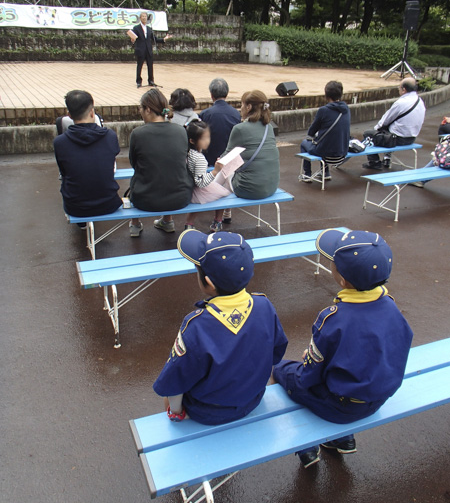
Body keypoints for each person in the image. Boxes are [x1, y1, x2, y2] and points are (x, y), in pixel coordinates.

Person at [273, 229, 413, 469]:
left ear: (343, 280)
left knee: (282, 372)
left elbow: (308, 377)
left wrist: (308, 362)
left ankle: (306, 444)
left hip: (340, 406)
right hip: (377, 399)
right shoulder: (392, 308)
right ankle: (342, 439)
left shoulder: (333, 318)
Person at [153, 229, 288, 425]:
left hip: (207, 412)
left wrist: (176, 410)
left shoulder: (196, 325)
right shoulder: (264, 305)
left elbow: (174, 384)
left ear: (208, 283)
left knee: (168, 399)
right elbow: (276, 352)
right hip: (252, 400)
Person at [128, 89, 193, 237]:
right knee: (170, 170)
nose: (140, 111)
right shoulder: (181, 131)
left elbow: (134, 163)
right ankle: (167, 221)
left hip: (146, 199)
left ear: (148, 109)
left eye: (141, 108)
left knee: (138, 176)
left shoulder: (138, 134)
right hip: (180, 197)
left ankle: (135, 224)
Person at [53, 90, 122, 220]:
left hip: (75, 207)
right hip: (109, 203)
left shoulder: (60, 143)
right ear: (92, 112)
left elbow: (64, 173)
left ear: (69, 115)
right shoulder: (110, 136)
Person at [221, 90, 279, 200]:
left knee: (224, 170)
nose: (240, 108)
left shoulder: (240, 129)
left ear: (248, 107)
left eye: (241, 104)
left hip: (248, 189)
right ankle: (224, 213)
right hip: (272, 187)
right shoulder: (269, 127)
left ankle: (219, 211)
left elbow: (225, 159)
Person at [199, 78, 241, 226]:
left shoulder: (205, 114)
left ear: (211, 95)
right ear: (227, 94)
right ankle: (226, 211)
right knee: (227, 172)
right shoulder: (236, 114)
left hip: (209, 159)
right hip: (229, 160)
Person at [362, 77, 426, 170]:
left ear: (404, 89)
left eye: (399, 88)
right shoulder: (420, 101)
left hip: (398, 140)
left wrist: (375, 130)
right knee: (390, 131)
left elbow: (384, 121)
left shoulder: (401, 103)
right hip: (411, 138)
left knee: (368, 134)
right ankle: (387, 158)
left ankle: (374, 162)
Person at [299, 81, 350, 182]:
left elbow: (311, 131)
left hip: (327, 155)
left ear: (326, 95)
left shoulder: (324, 110)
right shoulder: (346, 109)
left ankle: (307, 174)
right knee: (327, 139)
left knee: (304, 143)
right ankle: (325, 172)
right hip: (342, 153)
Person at [185, 121, 231, 231]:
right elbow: (201, 183)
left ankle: (189, 224)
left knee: (208, 196)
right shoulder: (200, 158)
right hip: (197, 190)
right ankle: (217, 221)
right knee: (223, 194)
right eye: (203, 138)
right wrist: (215, 171)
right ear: (192, 140)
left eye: (208, 137)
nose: (207, 141)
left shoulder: (188, 153)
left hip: (187, 188)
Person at [126, 11, 172, 89]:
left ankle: (151, 80)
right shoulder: (136, 28)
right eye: (142, 16)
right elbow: (133, 38)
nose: (144, 17)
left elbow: (155, 39)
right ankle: (139, 81)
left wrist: (164, 39)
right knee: (139, 65)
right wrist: (132, 39)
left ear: (147, 18)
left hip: (148, 50)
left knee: (150, 66)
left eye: (145, 16)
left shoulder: (149, 28)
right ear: (140, 18)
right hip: (140, 50)